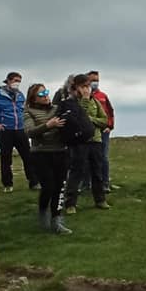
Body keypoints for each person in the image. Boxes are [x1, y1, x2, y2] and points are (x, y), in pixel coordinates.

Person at [0, 71, 36, 192]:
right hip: (5, 131)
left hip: (20, 130)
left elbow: (24, 111)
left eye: (19, 81)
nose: (17, 83)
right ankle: (8, 184)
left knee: (28, 157)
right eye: (15, 80)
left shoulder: (20, 95)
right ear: (8, 81)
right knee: (6, 159)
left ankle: (34, 182)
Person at [25, 83, 72, 235]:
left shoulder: (56, 109)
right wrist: (48, 125)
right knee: (49, 187)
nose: (45, 95)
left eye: (46, 92)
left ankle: (57, 220)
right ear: (33, 98)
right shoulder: (28, 111)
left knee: (60, 187)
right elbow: (29, 132)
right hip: (41, 154)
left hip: (60, 152)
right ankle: (43, 212)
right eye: (41, 94)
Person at [63, 74, 111, 214]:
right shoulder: (70, 102)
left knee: (97, 171)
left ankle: (100, 199)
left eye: (88, 86)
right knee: (77, 171)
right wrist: (83, 101)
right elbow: (77, 118)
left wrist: (90, 119)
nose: (87, 89)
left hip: (95, 140)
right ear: (76, 87)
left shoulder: (95, 101)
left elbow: (104, 120)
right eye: (83, 86)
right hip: (80, 142)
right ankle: (70, 203)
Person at [87, 71, 117, 193]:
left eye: (97, 80)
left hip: (103, 131)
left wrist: (110, 126)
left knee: (103, 157)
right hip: (90, 132)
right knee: (88, 158)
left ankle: (105, 183)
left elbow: (110, 112)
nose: (95, 82)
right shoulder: (84, 97)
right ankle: (88, 184)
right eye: (93, 80)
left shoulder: (103, 96)